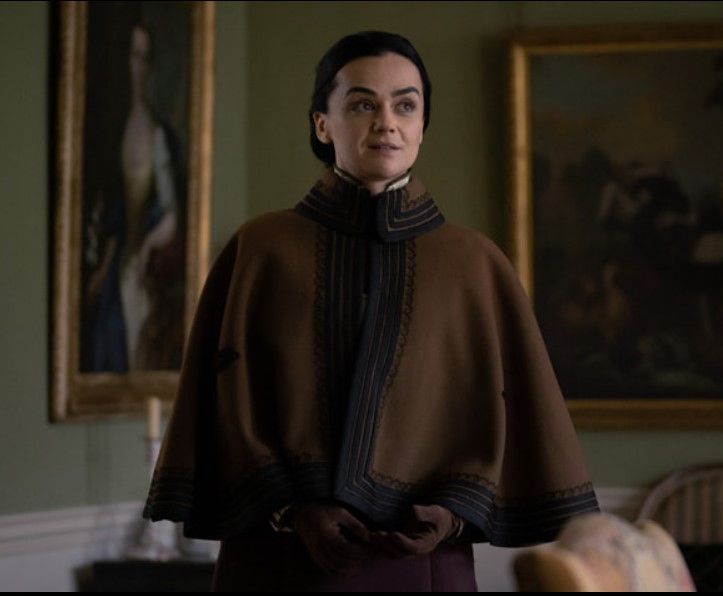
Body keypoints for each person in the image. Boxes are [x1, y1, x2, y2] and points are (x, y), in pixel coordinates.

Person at [143, 31, 599, 591]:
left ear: (422, 124)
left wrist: (451, 516)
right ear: (322, 124)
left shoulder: (475, 264)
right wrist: (293, 511)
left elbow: (502, 418)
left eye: (405, 106)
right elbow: (220, 406)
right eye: (363, 104)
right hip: (275, 559)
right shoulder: (260, 250)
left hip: (422, 566)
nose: (387, 122)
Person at [85, 20, 184, 372]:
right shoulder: (118, 132)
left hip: (140, 262)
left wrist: (143, 251)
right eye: (133, 55)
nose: (138, 66)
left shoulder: (159, 136)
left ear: (152, 65)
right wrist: (104, 264)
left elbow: (172, 214)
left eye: (145, 57)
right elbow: (110, 211)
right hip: (117, 257)